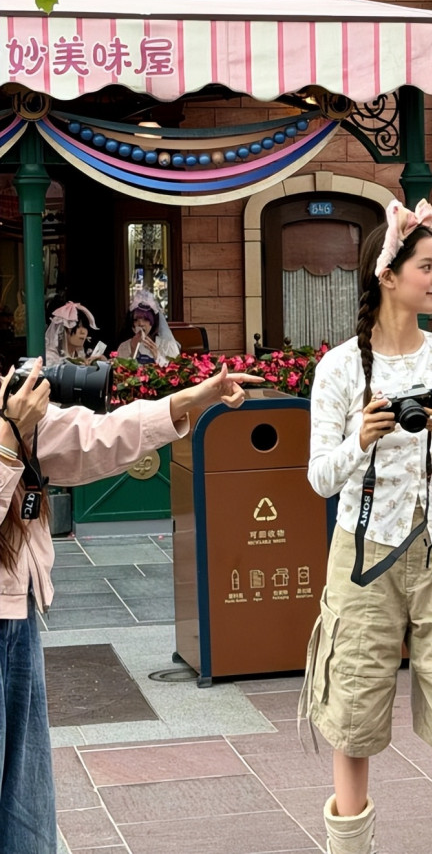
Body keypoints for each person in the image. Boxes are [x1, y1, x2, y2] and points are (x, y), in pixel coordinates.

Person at [299, 198, 432, 854]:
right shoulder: (340, 368)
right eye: (426, 266)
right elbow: (319, 479)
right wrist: (360, 438)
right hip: (363, 555)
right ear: (388, 275)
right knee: (354, 714)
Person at [0, 357, 263, 853]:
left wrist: (191, 399)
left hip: (17, 613)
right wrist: (7, 443)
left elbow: (94, 437)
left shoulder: (6, 407)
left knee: (25, 804)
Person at [116, 290, 180, 365]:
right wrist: (133, 352)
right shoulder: (124, 347)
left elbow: (175, 369)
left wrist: (157, 357)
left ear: (153, 322)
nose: (140, 324)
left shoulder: (167, 346)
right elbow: (121, 370)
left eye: (146, 319)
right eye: (136, 320)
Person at [44, 301, 105, 366]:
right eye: (77, 327)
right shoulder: (51, 358)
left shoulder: (80, 355)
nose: (83, 332)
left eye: (85, 327)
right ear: (62, 329)